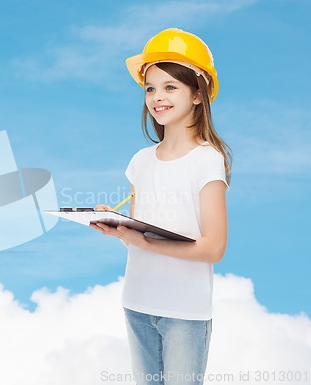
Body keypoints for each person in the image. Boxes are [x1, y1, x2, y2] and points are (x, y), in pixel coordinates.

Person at [90, 28, 232, 385]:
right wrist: (117, 227)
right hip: (137, 301)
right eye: (151, 88)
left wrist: (144, 242)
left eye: (170, 87)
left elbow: (213, 248)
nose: (157, 97)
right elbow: (139, 235)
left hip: (184, 311)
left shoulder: (207, 161)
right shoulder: (140, 161)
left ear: (198, 95)